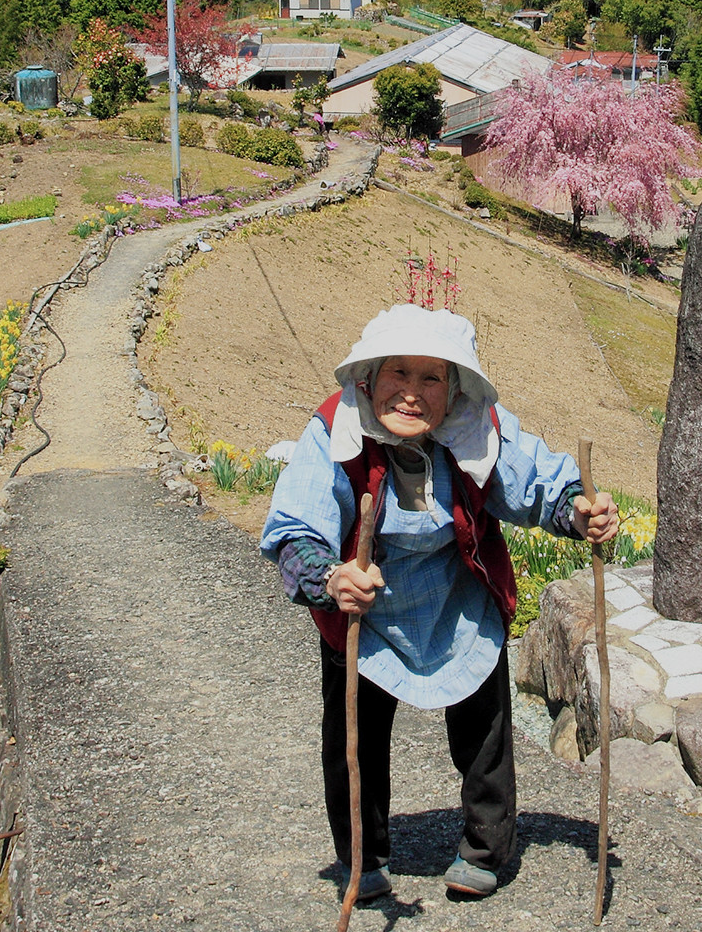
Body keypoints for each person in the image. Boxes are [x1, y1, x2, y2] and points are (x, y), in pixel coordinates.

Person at [261, 304, 619, 901]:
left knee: (485, 733)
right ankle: (362, 856)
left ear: (454, 388)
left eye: (431, 378)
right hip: (364, 611)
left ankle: (484, 846)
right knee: (355, 740)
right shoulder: (333, 431)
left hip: (457, 598)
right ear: (369, 377)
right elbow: (296, 529)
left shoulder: (476, 428)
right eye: (397, 374)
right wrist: (330, 578)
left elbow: (538, 485)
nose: (411, 393)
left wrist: (576, 511)